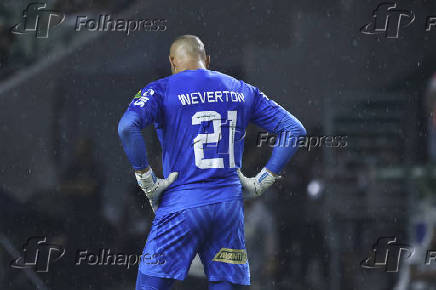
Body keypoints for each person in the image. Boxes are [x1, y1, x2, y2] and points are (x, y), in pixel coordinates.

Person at [118, 35, 306, 290]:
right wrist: (261, 182)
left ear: (172, 61)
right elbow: (294, 130)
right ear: (207, 60)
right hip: (227, 207)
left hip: (182, 204)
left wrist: (147, 181)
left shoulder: (161, 90)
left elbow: (128, 127)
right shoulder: (241, 89)